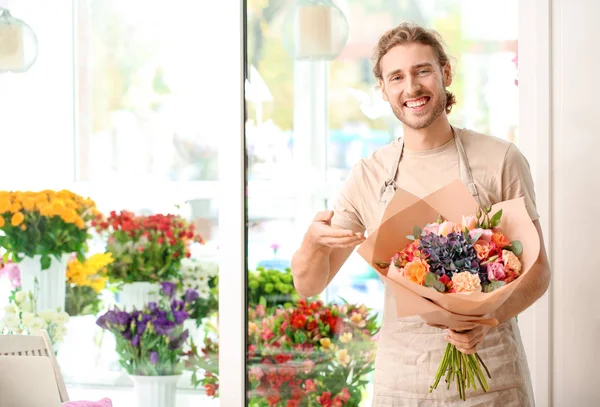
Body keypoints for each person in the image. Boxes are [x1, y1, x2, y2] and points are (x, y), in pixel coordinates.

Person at [291, 22, 551, 406]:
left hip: (493, 382)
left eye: (422, 71)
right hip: (403, 384)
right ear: (383, 89)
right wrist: (313, 243)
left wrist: (484, 319)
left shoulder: (500, 160)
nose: (411, 87)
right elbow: (309, 284)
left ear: (445, 74)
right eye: (396, 76)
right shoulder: (369, 175)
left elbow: (538, 273)